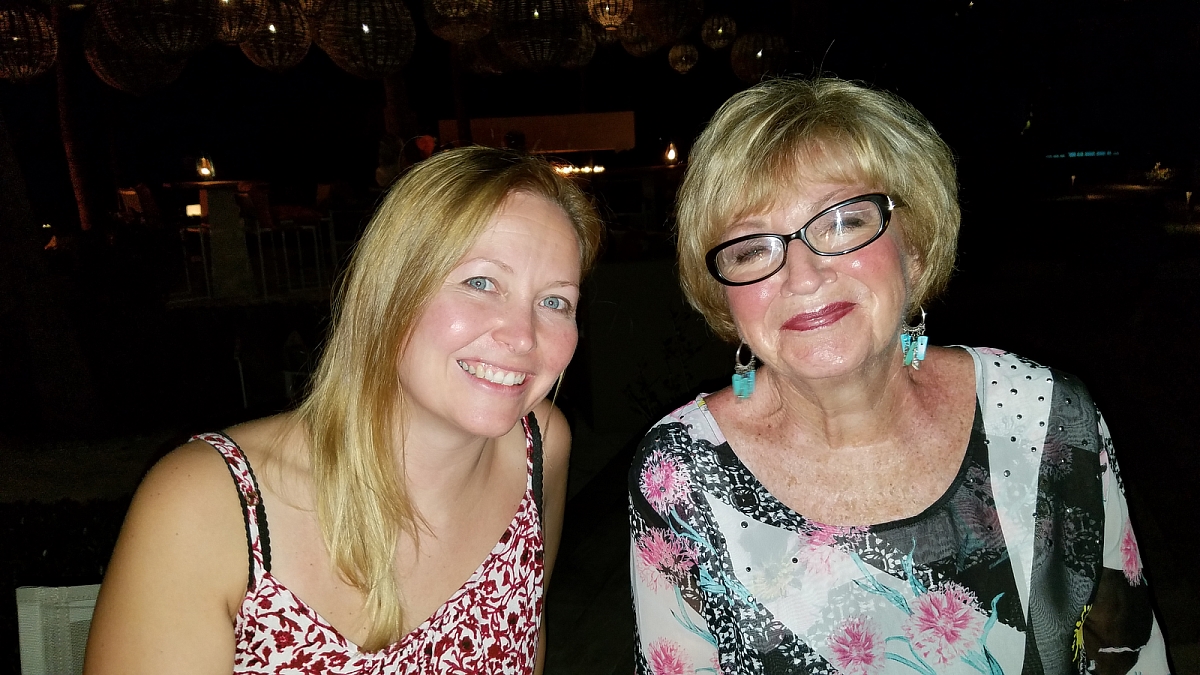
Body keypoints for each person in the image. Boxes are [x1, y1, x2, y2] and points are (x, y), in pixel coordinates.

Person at [628, 78, 1169, 675]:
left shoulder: (1045, 416)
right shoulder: (680, 472)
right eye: (753, 249)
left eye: (842, 222)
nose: (803, 277)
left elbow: (1126, 650)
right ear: (725, 297)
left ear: (914, 245)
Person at [85, 146, 602, 674]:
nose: (523, 337)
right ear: (389, 292)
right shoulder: (206, 505)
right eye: (481, 283)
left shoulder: (538, 448)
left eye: (555, 301)